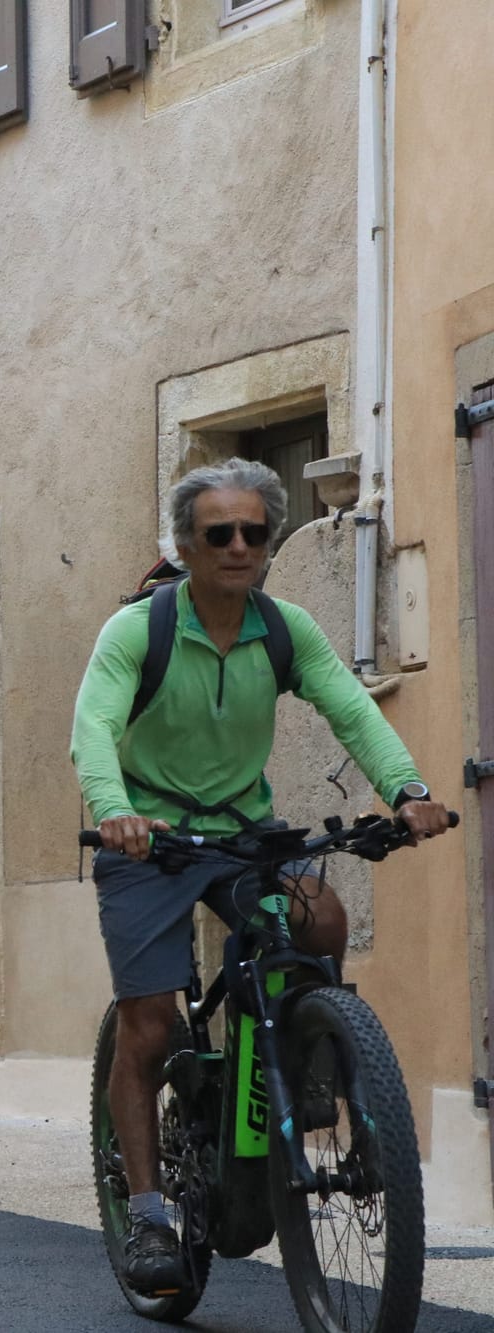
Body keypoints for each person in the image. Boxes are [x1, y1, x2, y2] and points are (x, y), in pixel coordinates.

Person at [70, 458, 449, 1295]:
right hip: (149, 841)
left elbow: (350, 708)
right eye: (220, 533)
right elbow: (92, 728)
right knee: (149, 1028)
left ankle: (299, 1052)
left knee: (320, 917)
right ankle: (149, 1215)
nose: (239, 546)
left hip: (242, 830)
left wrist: (407, 790)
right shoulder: (137, 631)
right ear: (186, 545)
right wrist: (115, 808)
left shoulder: (284, 629)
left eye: (254, 531)